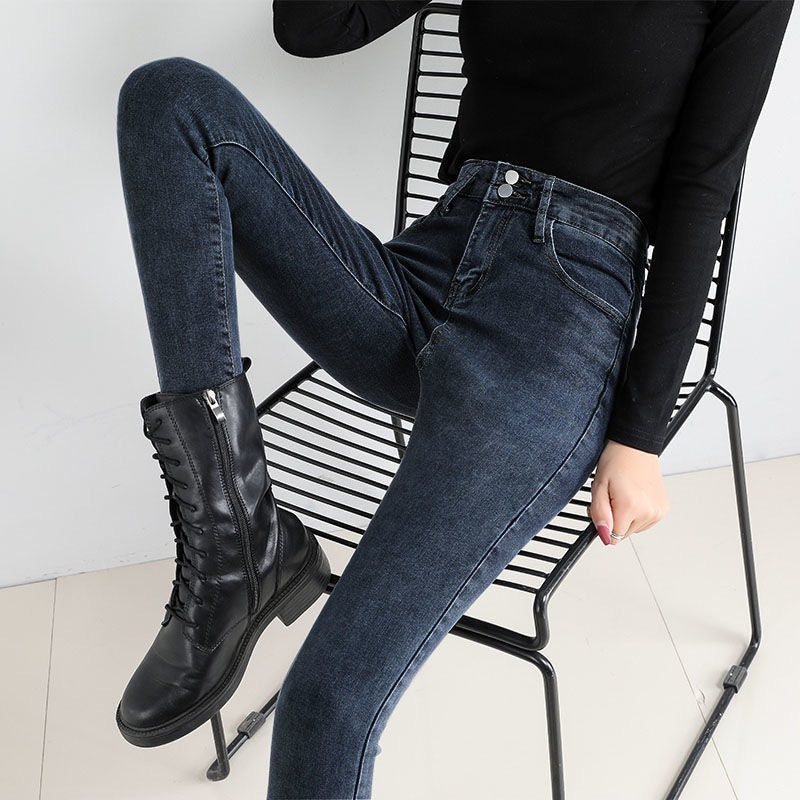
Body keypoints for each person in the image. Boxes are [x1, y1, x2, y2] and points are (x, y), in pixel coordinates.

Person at [113, 1, 793, 796]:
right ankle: (237, 544)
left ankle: (250, 561)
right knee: (169, 98)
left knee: (326, 704)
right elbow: (310, 27)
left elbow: (701, 190)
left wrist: (640, 436)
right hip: (427, 273)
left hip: (557, 325)